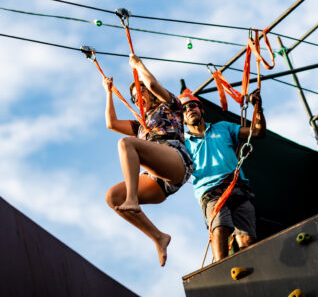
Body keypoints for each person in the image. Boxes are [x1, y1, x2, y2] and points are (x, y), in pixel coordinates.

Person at [103, 53, 193, 266]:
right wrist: (108, 93)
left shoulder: (170, 105)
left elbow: (152, 83)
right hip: (156, 179)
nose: (136, 99)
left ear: (149, 93)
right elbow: (111, 123)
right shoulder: (141, 125)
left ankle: (132, 199)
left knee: (127, 144)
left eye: (139, 92)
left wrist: (138, 65)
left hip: (176, 159)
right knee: (113, 197)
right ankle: (159, 237)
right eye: (133, 98)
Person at [179, 88, 266, 261]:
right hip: (211, 193)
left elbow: (257, 132)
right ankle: (221, 268)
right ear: (181, 118)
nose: (189, 110)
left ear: (201, 109)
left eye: (193, 106)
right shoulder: (184, 145)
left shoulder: (223, 128)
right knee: (220, 229)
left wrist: (258, 108)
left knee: (247, 240)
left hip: (238, 188)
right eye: (184, 109)